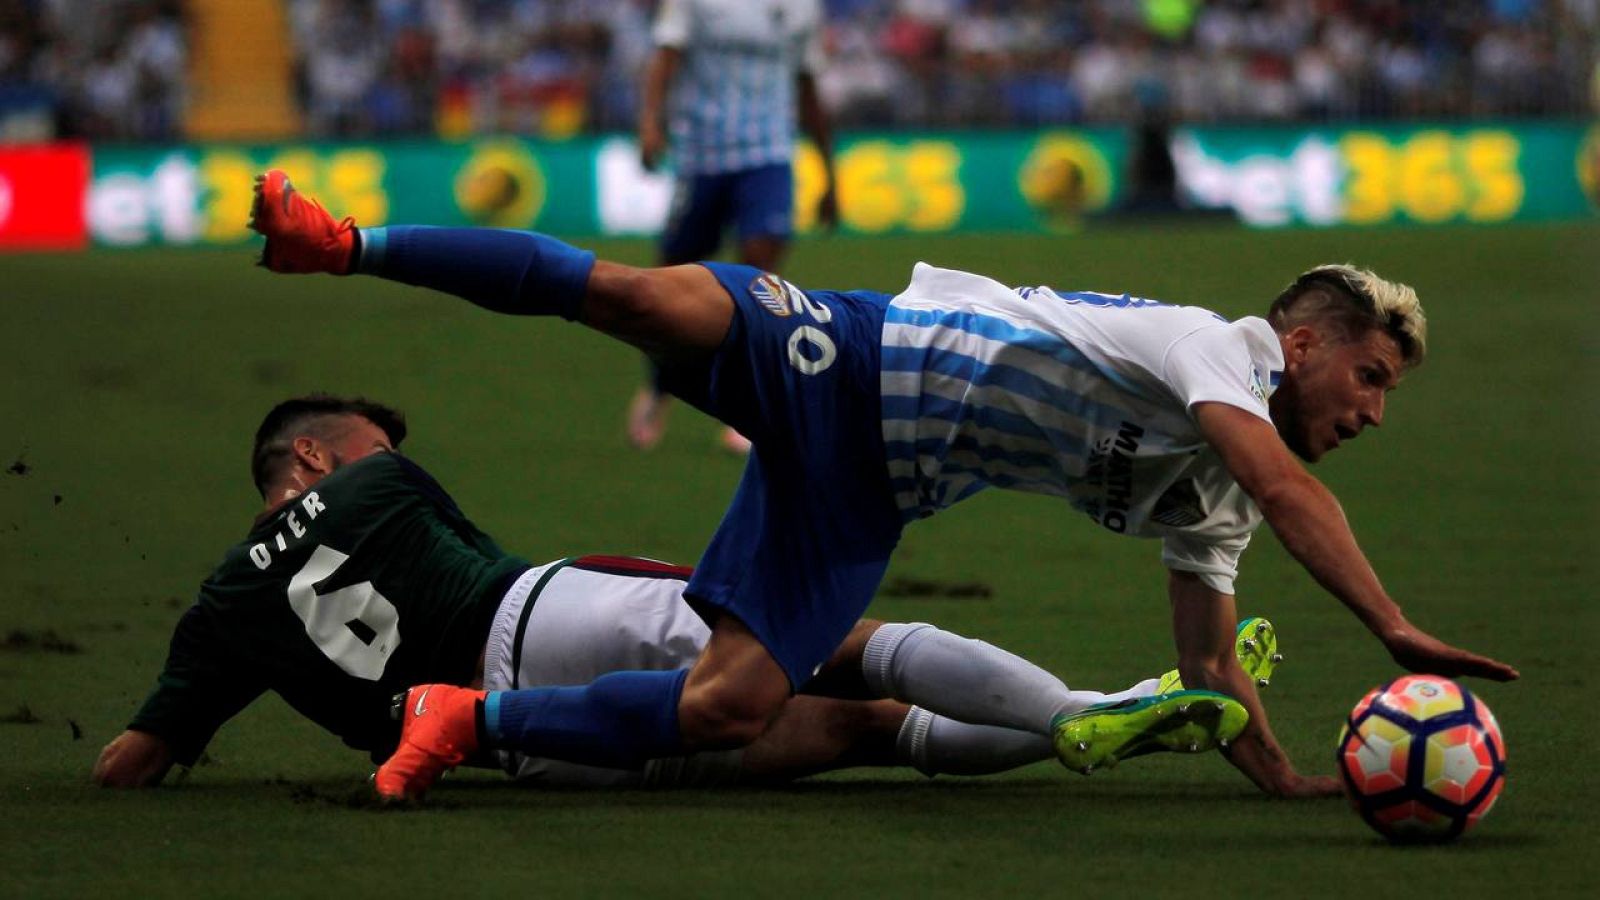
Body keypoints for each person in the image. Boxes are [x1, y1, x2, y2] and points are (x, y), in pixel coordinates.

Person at [248, 170, 1518, 802]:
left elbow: (1206, 668)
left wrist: (1284, 777)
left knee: (727, 709)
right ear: (1299, 345)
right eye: (1367, 374)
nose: (1371, 407)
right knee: (633, 293)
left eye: (1385, 391)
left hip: (873, 486)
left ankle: (464, 722)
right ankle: (340, 243)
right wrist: (1389, 626)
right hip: (852, 356)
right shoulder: (1209, 349)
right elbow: (1294, 491)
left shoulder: (1221, 498)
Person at [93, 394, 1269, 792]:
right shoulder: (375, 483)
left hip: (535, 751)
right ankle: (1081, 711)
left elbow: (131, 764)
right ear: (309, 456)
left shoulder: (220, 612)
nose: (388, 438)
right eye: (365, 435)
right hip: (544, 615)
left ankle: (1132, 707)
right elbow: (486, 560)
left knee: (865, 738)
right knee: (848, 649)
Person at [627, 0, 839, 452]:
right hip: (702, 154)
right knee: (670, 280)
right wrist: (650, 124)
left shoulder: (802, 8)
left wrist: (829, 173)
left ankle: (746, 403)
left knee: (761, 277)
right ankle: (659, 388)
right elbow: (665, 58)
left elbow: (807, 85)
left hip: (769, 154)